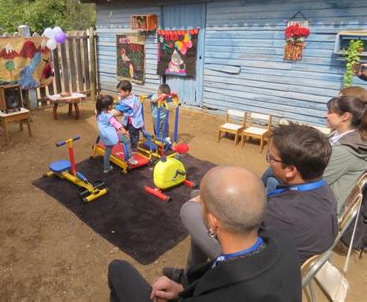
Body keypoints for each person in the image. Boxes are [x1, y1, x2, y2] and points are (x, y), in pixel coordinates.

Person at [108, 166, 302, 302]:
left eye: (201, 202)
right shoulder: (283, 243)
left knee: (118, 268)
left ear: (212, 221)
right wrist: (183, 291)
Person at [180, 123, 337, 270]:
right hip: (289, 255)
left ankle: (193, 274)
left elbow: (239, 231)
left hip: (256, 268)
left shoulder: (279, 213)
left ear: (290, 170)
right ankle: (193, 272)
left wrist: (208, 204)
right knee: (201, 198)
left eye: (271, 158)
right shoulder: (324, 190)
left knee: (191, 209)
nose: (269, 162)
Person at [263, 96, 366, 214]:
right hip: (317, 191)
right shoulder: (338, 136)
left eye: (330, 112)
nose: (325, 115)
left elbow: (315, 177)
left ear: (345, 117)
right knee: (275, 165)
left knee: (273, 177)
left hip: (321, 203)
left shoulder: (346, 150)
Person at [96, 94, 138, 173]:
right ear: (108, 106)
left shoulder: (99, 114)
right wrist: (125, 132)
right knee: (127, 140)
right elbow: (117, 125)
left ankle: (106, 168)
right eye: (112, 104)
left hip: (104, 137)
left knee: (107, 151)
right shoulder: (109, 116)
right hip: (112, 137)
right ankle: (130, 158)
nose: (113, 105)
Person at [111, 80, 144, 151]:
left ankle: (134, 149)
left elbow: (121, 107)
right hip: (128, 120)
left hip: (134, 122)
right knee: (123, 130)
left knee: (133, 136)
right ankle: (124, 142)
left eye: (120, 92)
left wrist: (112, 106)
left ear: (127, 91)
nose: (119, 94)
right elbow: (122, 103)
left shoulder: (129, 102)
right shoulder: (131, 97)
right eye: (118, 92)